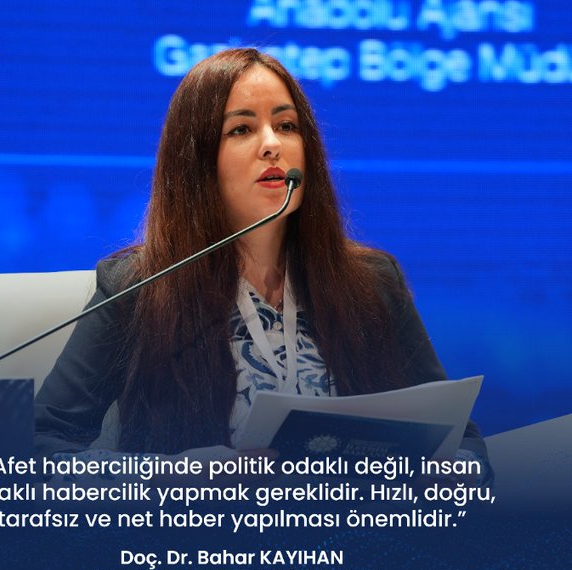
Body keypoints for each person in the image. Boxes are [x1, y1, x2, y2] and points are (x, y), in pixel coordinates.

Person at [34, 48, 490, 482]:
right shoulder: (140, 289)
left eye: (287, 125)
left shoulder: (372, 284)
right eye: (241, 129)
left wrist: (447, 474)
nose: (272, 145)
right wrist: (179, 477)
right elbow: (39, 447)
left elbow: (462, 442)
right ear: (196, 161)